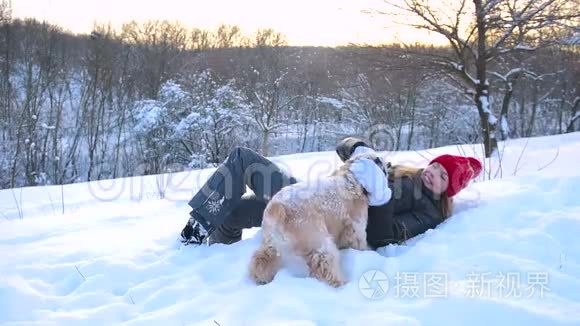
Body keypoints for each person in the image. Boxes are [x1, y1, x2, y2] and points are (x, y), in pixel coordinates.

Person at [180, 137, 482, 249]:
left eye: (444, 177)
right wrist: (361, 148)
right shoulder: (402, 171)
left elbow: (384, 236)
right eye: (437, 167)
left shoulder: (429, 213)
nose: (434, 174)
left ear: (449, 191)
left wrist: (381, 197)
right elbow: (343, 145)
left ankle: (197, 226)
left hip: (325, 214)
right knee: (230, 212)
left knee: (244, 160)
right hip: (319, 193)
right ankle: (210, 251)